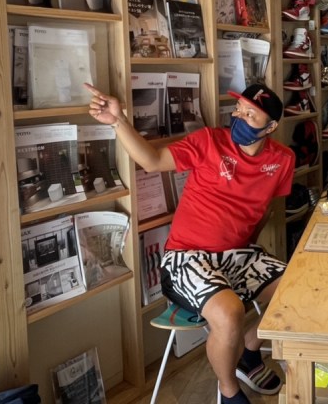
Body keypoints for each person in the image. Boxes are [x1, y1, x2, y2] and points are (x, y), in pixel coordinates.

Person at [85, 82, 294, 404]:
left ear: (271, 127)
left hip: (239, 255)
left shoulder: (282, 159)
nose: (239, 117)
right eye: (239, 109)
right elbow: (153, 161)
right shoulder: (209, 141)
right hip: (187, 257)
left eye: (251, 115)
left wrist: (247, 248)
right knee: (229, 315)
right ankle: (229, 391)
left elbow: (265, 209)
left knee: (299, 293)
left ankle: (250, 350)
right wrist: (118, 121)